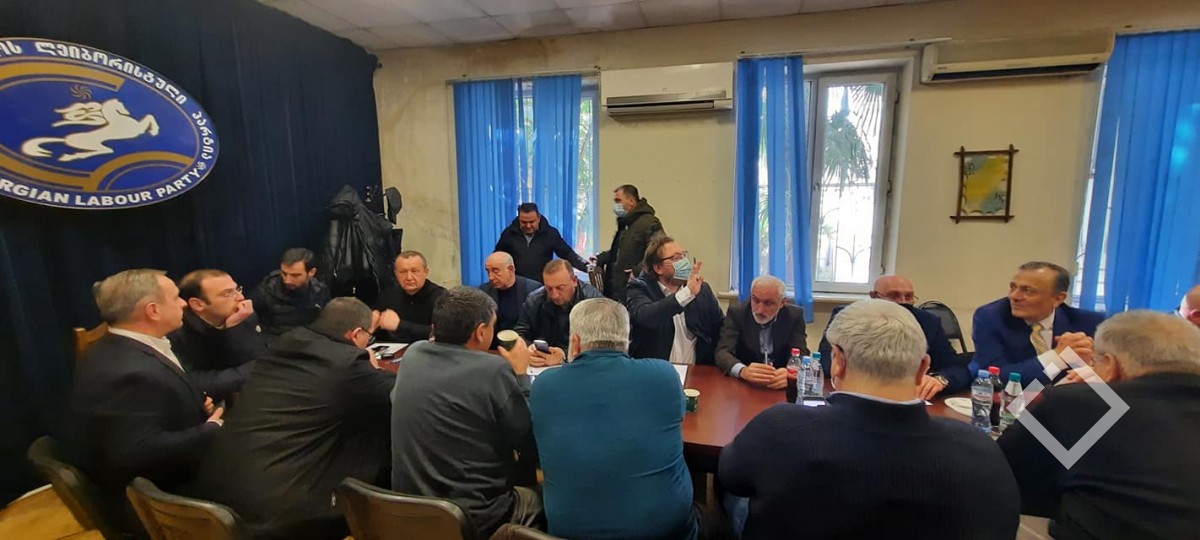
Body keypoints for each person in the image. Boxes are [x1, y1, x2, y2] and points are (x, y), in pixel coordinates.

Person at [719, 300, 1019, 539]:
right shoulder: (982, 451)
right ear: (922, 368)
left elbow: (731, 475)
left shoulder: (780, 427)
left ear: (838, 362)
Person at [187, 298, 393, 539]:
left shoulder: (285, 343)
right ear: (356, 334)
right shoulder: (348, 364)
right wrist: (374, 370)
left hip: (214, 500)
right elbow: (400, 393)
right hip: (280, 517)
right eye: (368, 335)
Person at [998, 311, 1200, 539]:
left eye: (1096, 362)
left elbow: (1002, 478)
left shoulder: (1081, 404)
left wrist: (1059, 370)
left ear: (1111, 365)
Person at [66, 269, 224, 534]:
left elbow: (149, 407)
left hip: (163, 475)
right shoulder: (131, 372)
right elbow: (139, 453)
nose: (183, 303)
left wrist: (195, 404)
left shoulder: (112, 345)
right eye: (175, 297)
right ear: (152, 311)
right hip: (161, 500)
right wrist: (210, 430)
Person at [530, 298, 699, 540]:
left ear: (574, 342)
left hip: (570, 534)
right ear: (626, 340)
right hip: (667, 532)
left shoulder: (544, 386)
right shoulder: (663, 375)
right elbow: (678, 414)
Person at [390, 287, 543, 538]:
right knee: (542, 497)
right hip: (474, 516)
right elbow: (528, 440)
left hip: (411, 510)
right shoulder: (492, 370)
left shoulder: (412, 355)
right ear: (481, 332)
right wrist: (521, 374)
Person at [818, 275, 968, 398]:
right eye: (893, 296)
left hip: (911, 401)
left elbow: (956, 367)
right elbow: (825, 361)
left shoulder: (928, 322)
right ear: (874, 296)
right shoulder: (849, 317)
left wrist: (940, 380)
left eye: (908, 296)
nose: (903, 302)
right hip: (857, 394)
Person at [972, 261, 1105, 386]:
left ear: (1058, 298)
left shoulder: (1089, 322)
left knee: (1109, 397)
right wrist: (1057, 358)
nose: (1014, 296)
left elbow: (1111, 387)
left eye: (1028, 291)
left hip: (1070, 396)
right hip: (1019, 398)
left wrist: (1096, 370)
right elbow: (995, 378)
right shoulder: (992, 317)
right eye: (1013, 287)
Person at [626, 236, 724, 365]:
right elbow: (647, 316)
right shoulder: (639, 288)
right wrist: (686, 294)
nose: (684, 262)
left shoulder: (702, 290)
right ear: (658, 268)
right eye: (676, 258)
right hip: (655, 371)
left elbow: (721, 329)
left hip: (696, 371)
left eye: (683, 256)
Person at [170, 269, 264, 400]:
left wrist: (234, 329)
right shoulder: (177, 330)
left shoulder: (243, 315)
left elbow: (256, 358)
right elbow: (193, 381)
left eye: (237, 289)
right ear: (198, 304)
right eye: (228, 293)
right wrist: (250, 371)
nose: (241, 298)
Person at [715, 275, 808, 389]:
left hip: (779, 385)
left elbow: (801, 353)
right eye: (755, 300)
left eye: (768, 303)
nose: (760, 310)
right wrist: (742, 370)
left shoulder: (793, 316)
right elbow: (723, 352)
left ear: (782, 303)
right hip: (745, 385)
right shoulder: (737, 313)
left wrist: (792, 372)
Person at [513, 259, 602, 365]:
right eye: (549, 288)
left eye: (560, 288)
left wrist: (564, 356)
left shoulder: (593, 303)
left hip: (582, 365)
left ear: (574, 280)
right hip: (541, 364)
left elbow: (600, 344)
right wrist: (527, 348)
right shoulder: (535, 300)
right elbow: (520, 332)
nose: (554, 295)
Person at [596, 184, 664, 302]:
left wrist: (637, 271)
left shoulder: (649, 223)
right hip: (619, 290)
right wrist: (600, 258)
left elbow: (659, 251)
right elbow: (621, 251)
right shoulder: (627, 223)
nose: (615, 205)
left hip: (636, 288)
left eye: (618, 200)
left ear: (631, 201)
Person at [493, 202, 589, 283]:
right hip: (517, 286)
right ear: (519, 219)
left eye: (532, 222)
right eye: (524, 222)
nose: (528, 225)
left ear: (538, 218)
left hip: (542, 286)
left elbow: (567, 254)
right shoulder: (508, 234)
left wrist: (587, 267)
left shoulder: (550, 234)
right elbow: (497, 258)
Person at [252, 247, 330, 337]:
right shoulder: (265, 291)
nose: (287, 280)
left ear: (311, 272)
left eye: (295, 275)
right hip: (274, 339)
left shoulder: (320, 291)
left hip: (308, 338)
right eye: (284, 273)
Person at [373, 251, 446, 343]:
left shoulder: (441, 297)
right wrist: (372, 326)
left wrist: (400, 325)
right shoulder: (388, 295)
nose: (409, 277)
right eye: (403, 272)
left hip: (427, 349)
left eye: (415, 271)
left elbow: (442, 333)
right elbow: (379, 330)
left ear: (426, 272)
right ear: (396, 274)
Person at [479, 251, 541, 335]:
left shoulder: (533, 289)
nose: (490, 277)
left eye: (495, 271)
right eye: (488, 271)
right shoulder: (484, 291)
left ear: (510, 270)